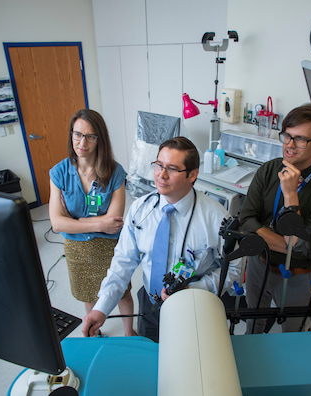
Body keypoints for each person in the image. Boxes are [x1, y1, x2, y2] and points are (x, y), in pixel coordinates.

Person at [82, 136, 242, 342]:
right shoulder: (139, 210)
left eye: (172, 169)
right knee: (152, 356)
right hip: (151, 304)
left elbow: (235, 269)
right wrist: (101, 308)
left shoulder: (217, 218)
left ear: (192, 174)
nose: (161, 175)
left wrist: (195, 289)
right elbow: (123, 262)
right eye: (159, 165)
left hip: (195, 307)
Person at [240, 103, 311, 333]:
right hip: (261, 263)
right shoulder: (268, 170)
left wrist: (291, 196)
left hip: (299, 274)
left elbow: (307, 248)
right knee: (253, 320)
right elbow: (246, 219)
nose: (289, 145)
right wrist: (288, 244)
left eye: (300, 139)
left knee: (291, 330)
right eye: (287, 135)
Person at [49, 108, 136, 336]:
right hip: (77, 249)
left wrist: (75, 221)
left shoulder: (115, 172)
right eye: (77, 134)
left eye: (90, 136)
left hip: (108, 247)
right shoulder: (59, 173)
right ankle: (94, 334)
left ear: (100, 139)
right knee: (89, 295)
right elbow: (57, 224)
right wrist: (99, 224)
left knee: (122, 293)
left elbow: (115, 222)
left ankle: (129, 333)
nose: (82, 142)